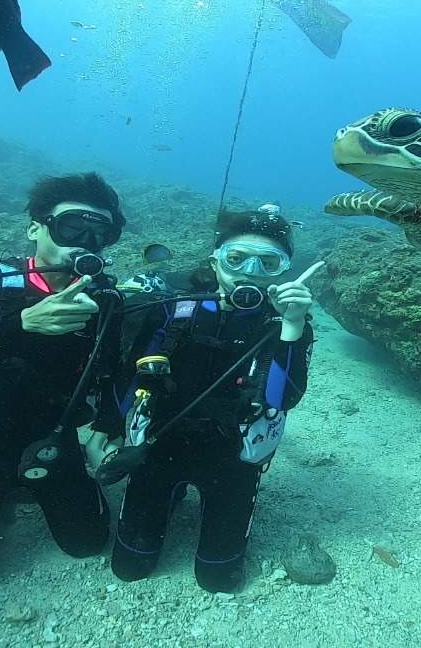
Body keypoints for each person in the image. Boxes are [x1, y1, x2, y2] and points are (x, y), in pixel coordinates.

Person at [88, 204, 318, 593]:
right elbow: (131, 371)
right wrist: (108, 427)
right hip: (160, 444)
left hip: (234, 455)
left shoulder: (283, 322)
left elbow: (285, 398)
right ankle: (171, 492)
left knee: (219, 578)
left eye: (269, 263)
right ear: (215, 259)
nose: (250, 272)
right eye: (237, 258)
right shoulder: (173, 308)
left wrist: (293, 327)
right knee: (129, 566)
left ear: (285, 268)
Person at [0, 173, 126, 590]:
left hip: (52, 436)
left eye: (99, 231)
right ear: (36, 226)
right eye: (72, 225)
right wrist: (21, 323)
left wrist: (107, 427)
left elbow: (112, 370)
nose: (85, 239)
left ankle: (26, 485)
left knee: (88, 542)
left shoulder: (106, 301)